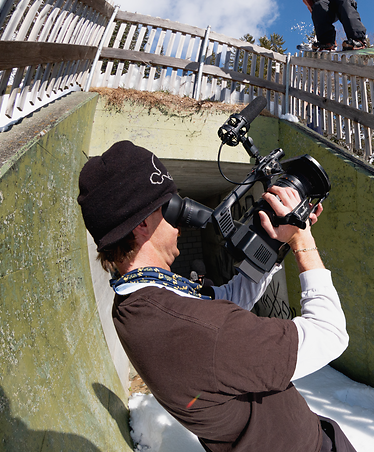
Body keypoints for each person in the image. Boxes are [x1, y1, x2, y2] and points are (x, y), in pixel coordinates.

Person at [77, 140, 357, 452]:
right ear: (142, 224)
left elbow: (226, 302)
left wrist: (273, 243)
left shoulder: (136, 304)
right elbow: (330, 334)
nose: (179, 227)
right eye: (169, 208)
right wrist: (302, 240)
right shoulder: (192, 326)